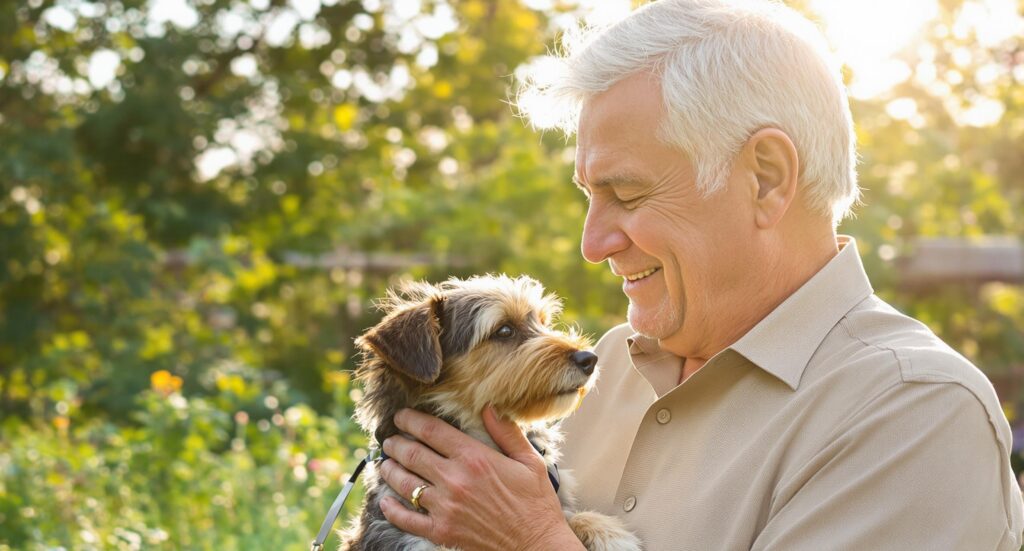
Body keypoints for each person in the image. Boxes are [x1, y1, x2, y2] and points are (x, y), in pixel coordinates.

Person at [374, 0, 1024, 548]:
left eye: (627, 194)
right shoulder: (610, 367)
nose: (592, 244)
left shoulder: (915, 412)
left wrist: (535, 538)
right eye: (588, 196)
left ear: (766, 178)